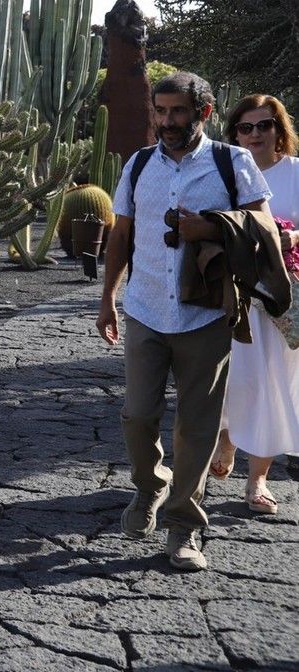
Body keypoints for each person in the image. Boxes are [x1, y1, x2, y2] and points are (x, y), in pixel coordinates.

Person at [97, 72, 272, 571]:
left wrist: (210, 224)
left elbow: (263, 222)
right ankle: (151, 484)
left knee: (197, 427)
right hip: (147, 309)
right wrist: (108, 296)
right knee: (137, 416)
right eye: (162, 111)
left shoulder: (231, 162)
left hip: (207, 313)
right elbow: (121, 235)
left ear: (205, 112)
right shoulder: (138, 166)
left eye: (178, 111)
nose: (168, 121)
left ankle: (183, 526)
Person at [210, 95, 299, 515]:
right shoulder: (224, 176)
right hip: (234, 293)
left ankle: (258, 478)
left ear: (279, 128)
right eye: (246, 127)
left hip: (283, 299)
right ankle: (228, 436)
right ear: (234, 133)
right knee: (233, 377)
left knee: (273, 383)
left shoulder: (296, 174)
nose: (256, 134)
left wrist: (292, 238)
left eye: (264, 125)